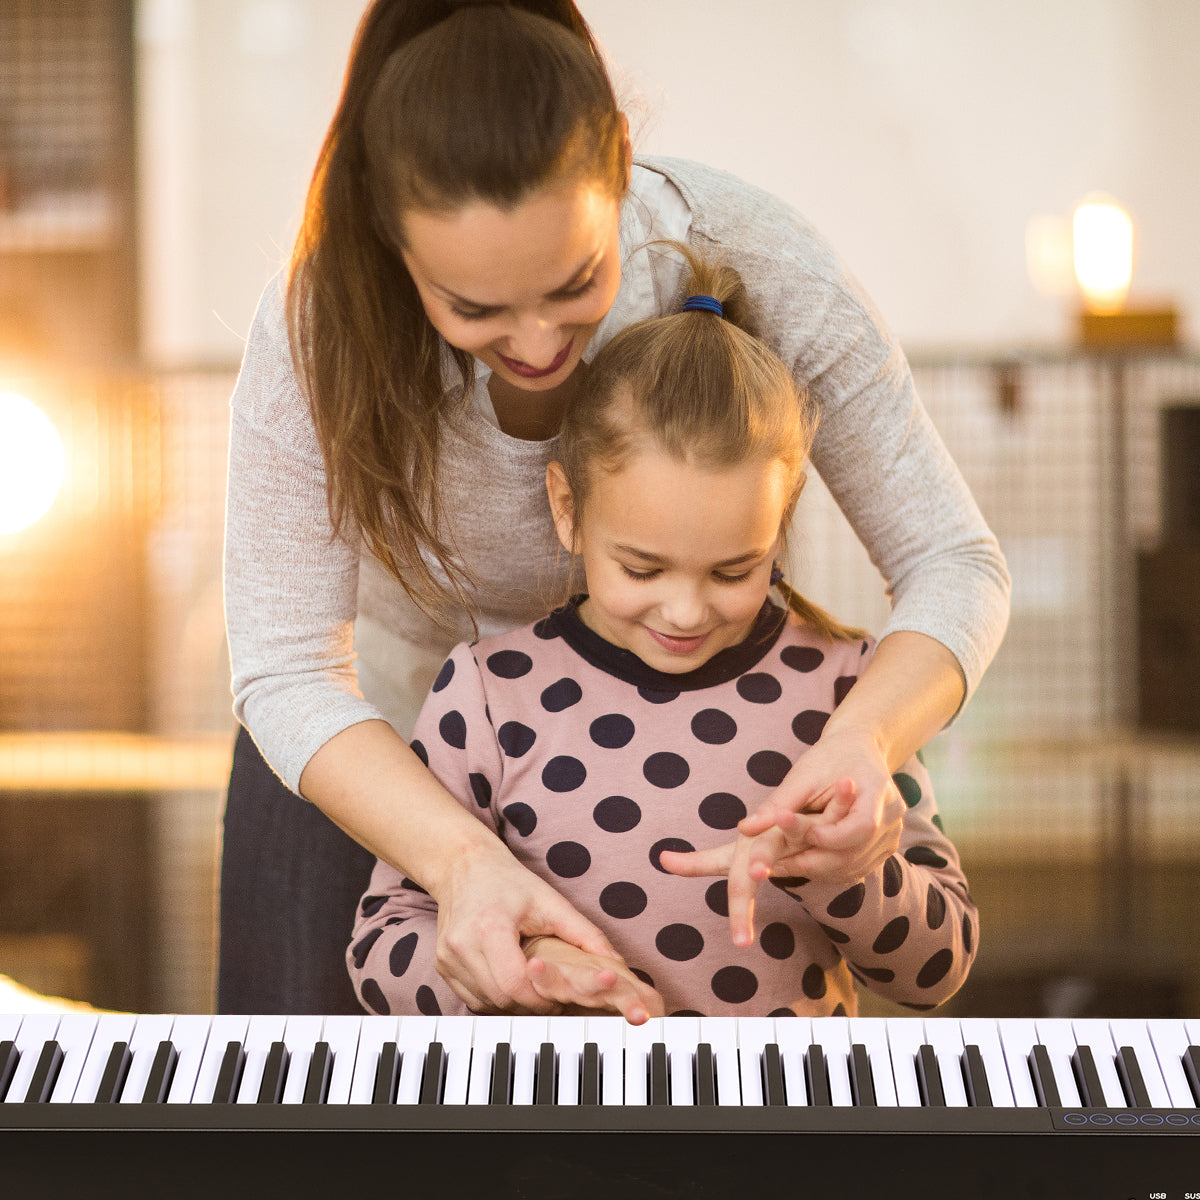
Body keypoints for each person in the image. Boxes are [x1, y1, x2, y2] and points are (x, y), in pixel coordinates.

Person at [220, 0, 1008, 1016]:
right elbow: (288, 668)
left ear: (622, 166)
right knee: (302, 1129)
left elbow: (953, 559)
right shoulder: (317, 326)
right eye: (475, 309)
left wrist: (864, 743)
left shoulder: (752, 253)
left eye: (574, 281)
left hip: (678, 733)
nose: (541, 342)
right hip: (379, 733)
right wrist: (460, 864)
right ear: (390, 238)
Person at [347, 246, 979, 1020]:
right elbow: (381, 947)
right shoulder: (488, 693)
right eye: (643, 570)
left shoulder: (852, 691)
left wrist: (843, 873)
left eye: (732, 571)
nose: (685, 612)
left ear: (780, 527)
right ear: (567, 508)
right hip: (562, 1135)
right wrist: (523, 969)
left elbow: (936, 970)